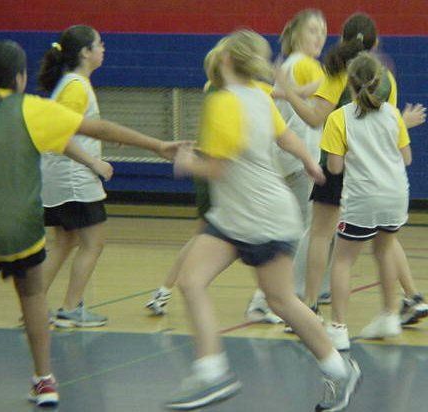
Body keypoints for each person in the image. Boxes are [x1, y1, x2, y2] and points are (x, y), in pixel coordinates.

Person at [164, 29, 360, 412]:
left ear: (224, 61)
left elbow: (217, 168)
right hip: (246, 215)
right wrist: (309, 162)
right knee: (217, 285)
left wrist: (187, 163)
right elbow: (287, 138)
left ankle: (215, 371)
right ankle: (334, 369)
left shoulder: (222, 102)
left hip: (257, 217)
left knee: (273, 298)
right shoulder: (259, 95)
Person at [0, 40, 180, 407]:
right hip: (19, 230)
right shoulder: (31, 109)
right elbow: (100, 129)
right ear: (21, 77)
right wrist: (157, 146)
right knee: (33, 297)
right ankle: (44, 380)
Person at [275, 13, 427, 340]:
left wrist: (288, 93)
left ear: (342, 37)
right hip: (376, 171)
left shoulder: (336, 71)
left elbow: (315, 117)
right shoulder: (386, 77)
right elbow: (386, 124)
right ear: (375, 42)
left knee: (321, 235)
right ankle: (409, 297)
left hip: (339, 160)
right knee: (385, 240)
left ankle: (311, 307)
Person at [146, 38, 283, 324]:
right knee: (235, 237)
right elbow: (280, 94)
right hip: (221, 173)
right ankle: (262, 301)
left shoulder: (219, 88)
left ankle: (164, 290)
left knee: (211, 237)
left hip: (216, 171)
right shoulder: (235, 92)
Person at [321, 52, 411, 347]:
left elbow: (335, 168)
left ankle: (338, 328)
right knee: (384, 251)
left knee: (343, 260)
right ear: (379, 81)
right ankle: (389, 314)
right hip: (396, 194)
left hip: (363, 197)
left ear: (349, 83)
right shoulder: (393, 114)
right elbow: (406, 158)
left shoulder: (339, 117)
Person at [247, 9, 331, 327]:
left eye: (323, 30)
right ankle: (269, 299)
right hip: (300, 160)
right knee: (301, 235)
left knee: (296, 232)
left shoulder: (295, 66)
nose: (320, 36)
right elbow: (322, 103)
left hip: (291, 159)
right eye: (313, 30)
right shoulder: (304, 65)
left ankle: (282, 296)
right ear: (296, 35)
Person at [38, 25, 112, 327]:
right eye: (99, 43)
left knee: (65, 241)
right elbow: (60, 135)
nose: (103, 48)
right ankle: (70, 308)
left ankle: (32, 306)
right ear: (85, 52)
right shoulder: (76, 87)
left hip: (59, 176)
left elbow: (77, 128)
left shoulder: (72, 84)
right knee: (94, 242)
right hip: (73, 178)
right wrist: (94, 162)